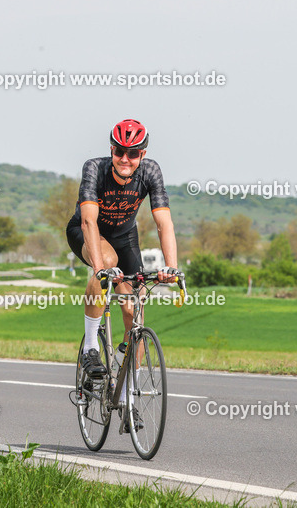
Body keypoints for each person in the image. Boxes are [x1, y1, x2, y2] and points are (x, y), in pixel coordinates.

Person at [67, 119, 179, 432]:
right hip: (88, 234)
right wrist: (100, 268)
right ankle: (91, 348)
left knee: (134, 312)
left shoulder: (150, 172)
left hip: (126, 236)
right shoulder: (95, 168)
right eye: (119, 151)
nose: (125, 159)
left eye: (133, 153)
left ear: (143, 155)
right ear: (111, 150)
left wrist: (171, 266)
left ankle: (128, 399)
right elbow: (89, 222)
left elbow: (163, 223)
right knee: (107, 261)